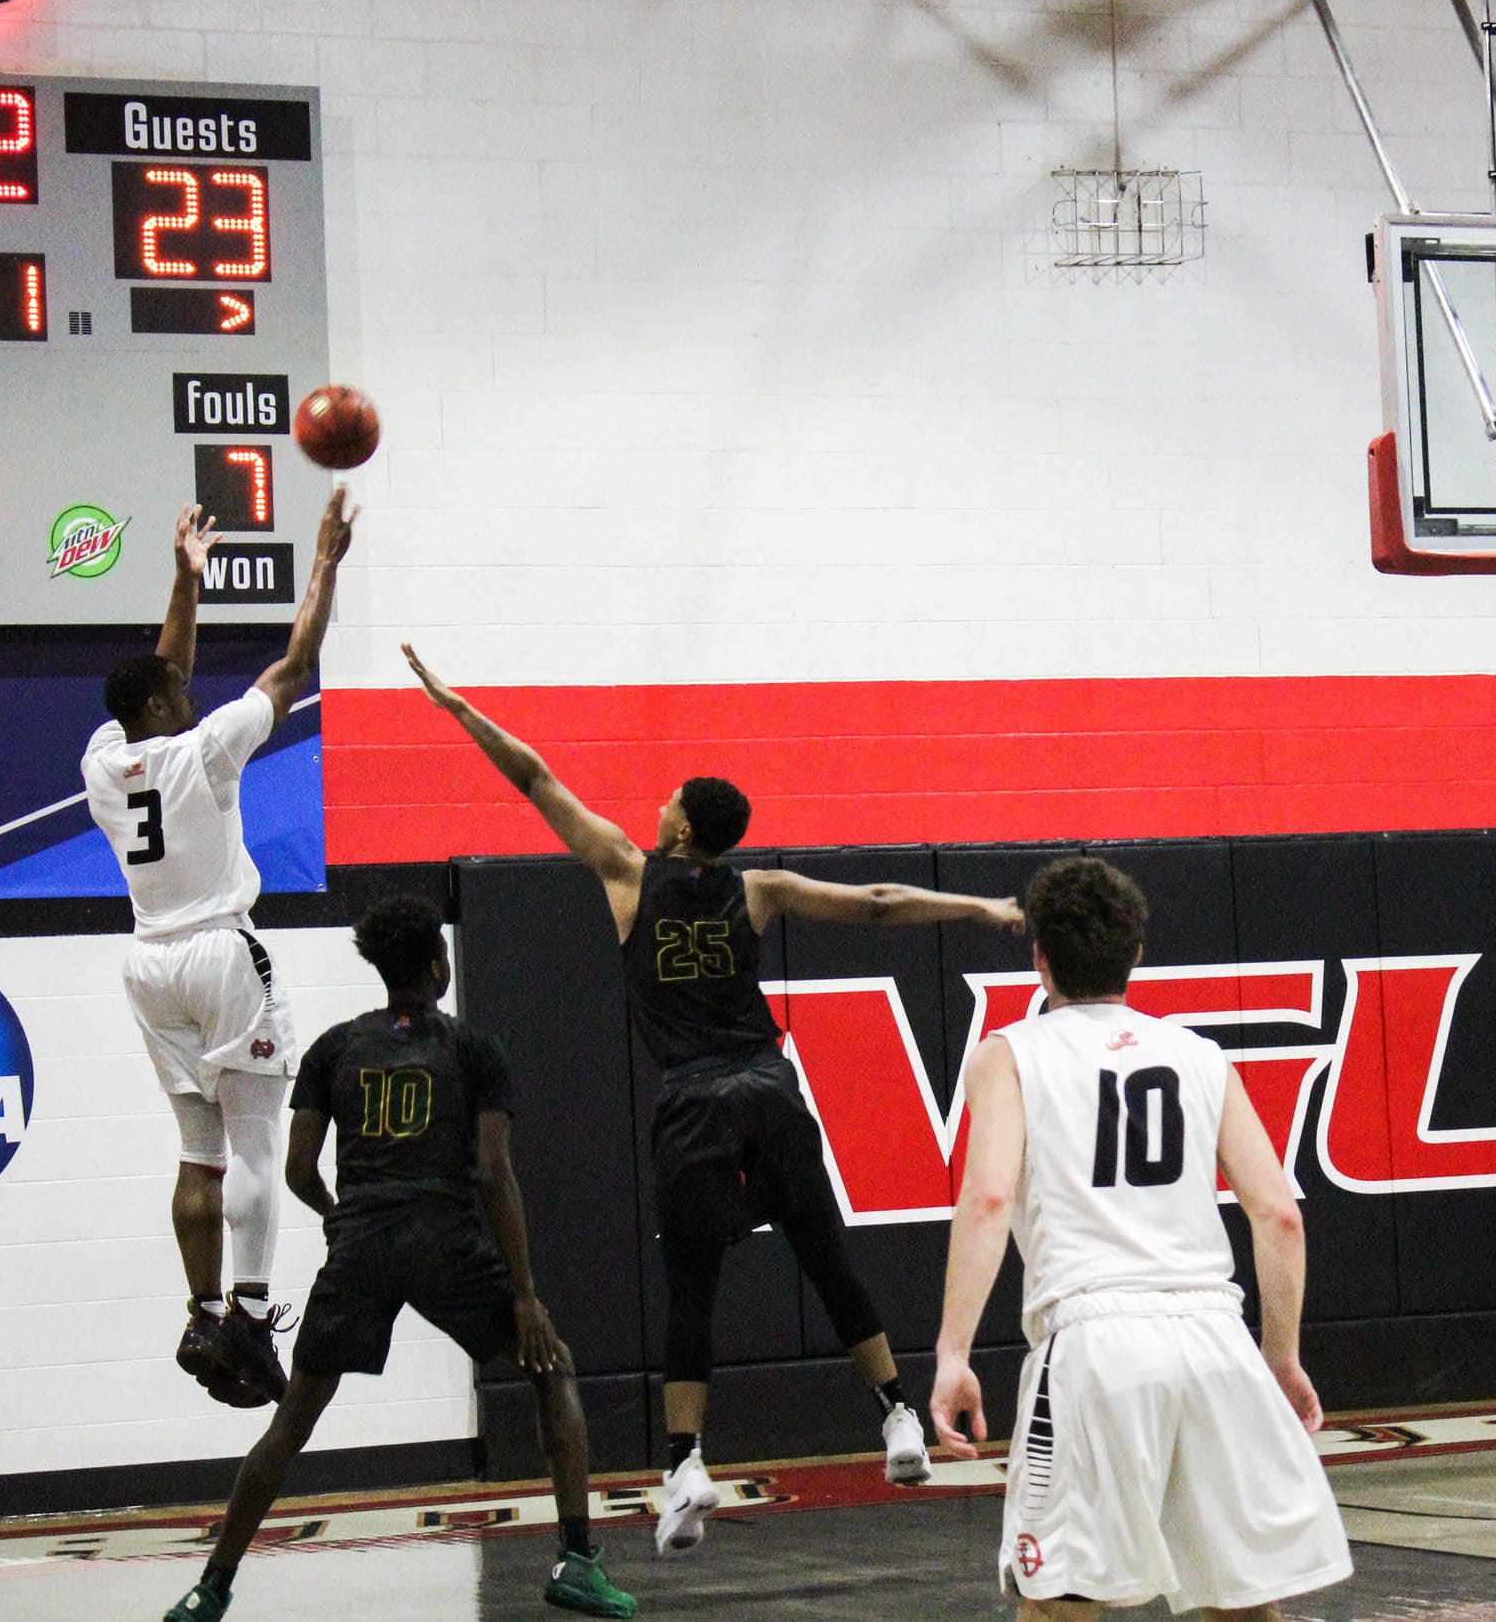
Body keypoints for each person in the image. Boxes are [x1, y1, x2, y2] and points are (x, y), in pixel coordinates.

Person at [402, 643, 1027, 1556]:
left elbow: (535, 776)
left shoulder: (626, 870)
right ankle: (895, 1413)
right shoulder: (760, 888)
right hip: (768, 1086)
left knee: (695, 1285)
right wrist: (980, 909)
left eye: (668, 802)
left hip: (693, 1100)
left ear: (684, 829)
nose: (655, 808)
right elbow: (882, 902)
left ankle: (687, 1464)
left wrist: (458, 709)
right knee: (824, 1252)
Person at [159, 896, 637, 1622]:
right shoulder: (474, 1049)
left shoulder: (333, 1047)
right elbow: (493, 1173)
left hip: (364, 1247)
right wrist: (525, 1294)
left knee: (291, 1421)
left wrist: (337, 1215)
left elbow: (297, 1170)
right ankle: (577, 1558)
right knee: (553, 1367)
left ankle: (210, 1588)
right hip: (445, 1240)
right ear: (439, 965)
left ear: (382, 968)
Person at [931, 855, 1352, 1621]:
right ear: (1138, 954)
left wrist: (953, 1352)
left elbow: (990, 1196)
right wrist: (1280, 1356)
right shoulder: (1201, 1056)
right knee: (1242, 1602)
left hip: (1098, 1341)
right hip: (1214, 1338)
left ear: (1040, 958)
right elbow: (1279, 1213)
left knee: (1059, 1599)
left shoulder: (1009, 1053)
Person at [82, 492, 356, 1407]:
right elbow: (297, 662)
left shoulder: (100, 761)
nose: (191, 689)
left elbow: (162, 669)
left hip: (148, 962)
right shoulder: (206, 748)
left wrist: (184, 581)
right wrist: (324, 560)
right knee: (255, 1141)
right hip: (217, 951)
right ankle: (250, 1310)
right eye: (181, 692)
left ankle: (200, 1310)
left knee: (196, 1152)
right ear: (165, 706)